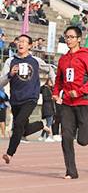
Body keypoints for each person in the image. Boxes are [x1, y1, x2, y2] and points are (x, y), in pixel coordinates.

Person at [52, 26, 88, 179]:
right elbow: (59, 80)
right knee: (66, 137)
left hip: (84, 101)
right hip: (67, 103)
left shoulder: (87, 58)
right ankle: (71, 171)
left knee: (82, 140)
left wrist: (80, 91)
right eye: (66, 37)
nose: (68, 40)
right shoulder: (63, 59)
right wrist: (56, 93)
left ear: (79, 39)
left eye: (71, 37)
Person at [1, 35, 56, 164]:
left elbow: (50, 69)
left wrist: (55, 88)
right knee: (23, 130)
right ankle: (41, 124)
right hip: (16, 99)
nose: (20, 44)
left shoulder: (35, 61)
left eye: (24, 42)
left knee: (18, 124)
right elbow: (1, 82)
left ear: (30, 46)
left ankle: (10, 153)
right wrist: (10, 74)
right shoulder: (10, 61)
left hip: (30, 98)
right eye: (19, 41)